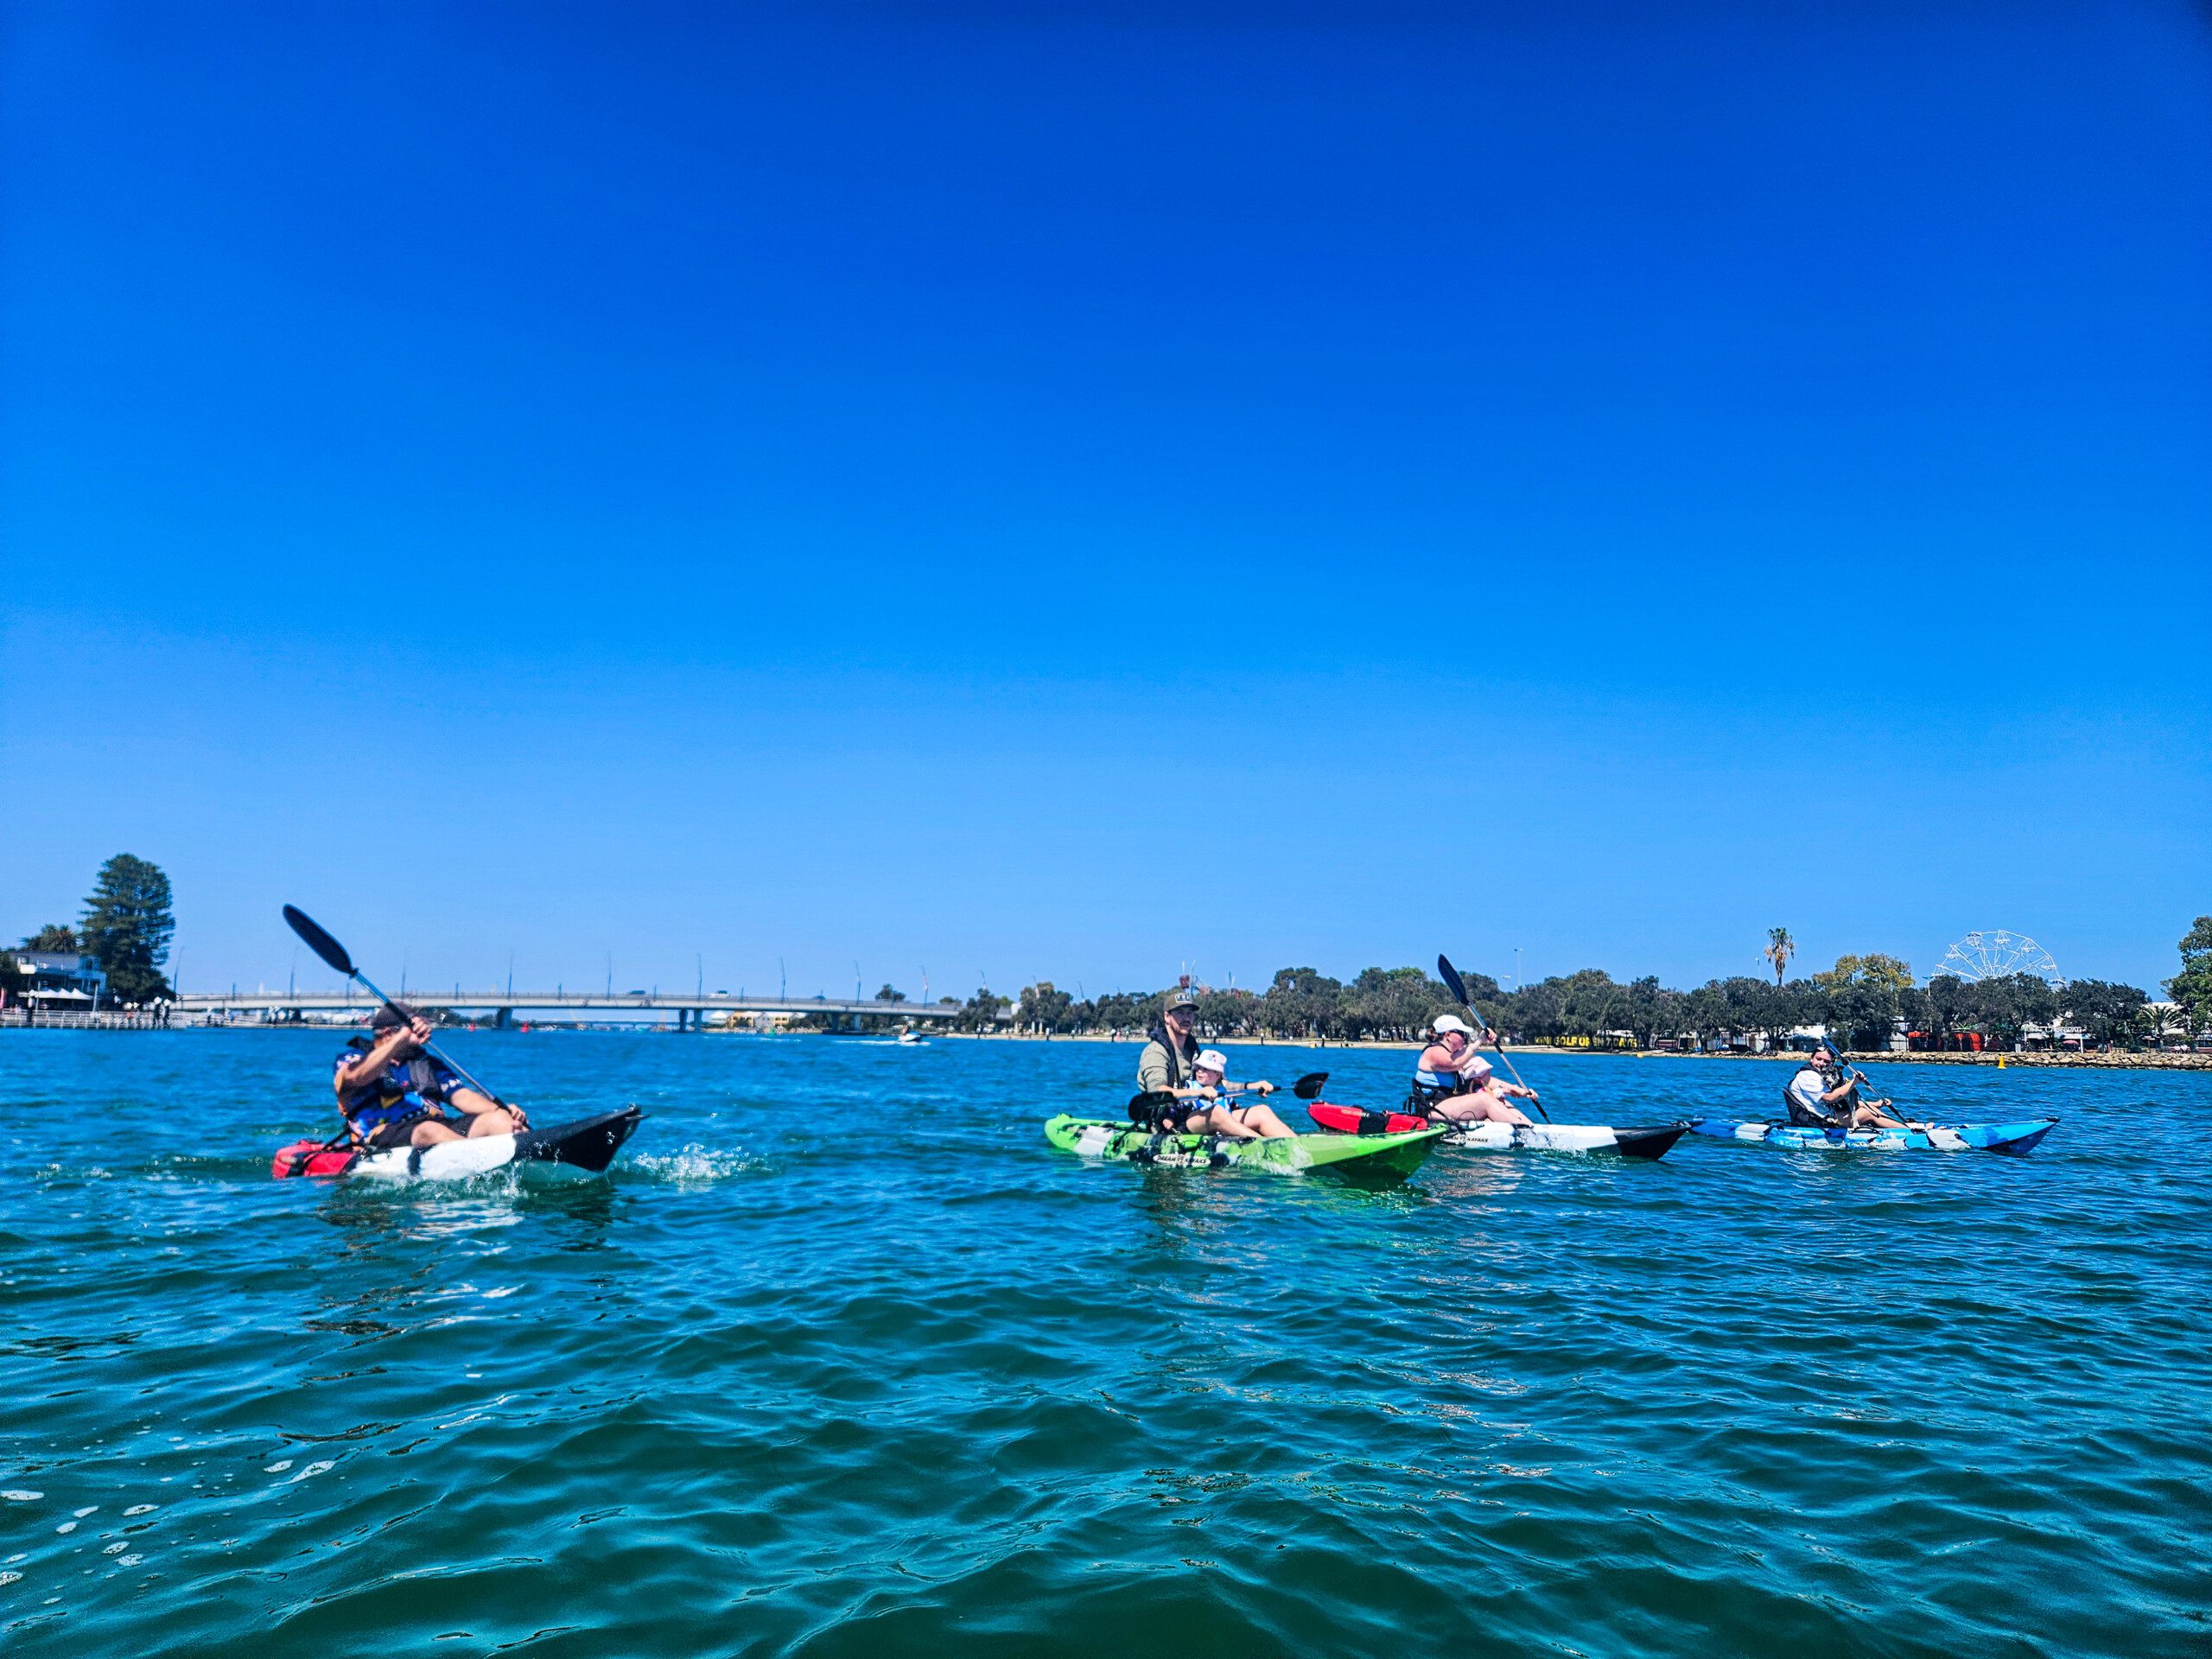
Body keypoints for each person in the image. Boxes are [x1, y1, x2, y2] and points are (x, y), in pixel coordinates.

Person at [333, 1004, 526, 1149]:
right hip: (384, 1134)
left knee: (499, 1119)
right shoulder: (353, 1059)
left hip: (438, 1128)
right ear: (388, 1034)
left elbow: (462, 1096)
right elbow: (356, 1077)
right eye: (410, 1029)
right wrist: (400, 1040)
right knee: (430, 1130)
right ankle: (487, 1167)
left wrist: (502, 1109)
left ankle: (538, 1155)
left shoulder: (427, 1064)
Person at [1132, 991, 1294, 1139]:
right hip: (1167, 1122)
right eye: (1180, 1013)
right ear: (1167, 1017)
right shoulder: (1156, 1052)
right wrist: (1199, 1091)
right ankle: (1266, 1147)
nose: (1186, 1018)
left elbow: (1217, 1084)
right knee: (1216, 1112)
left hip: (1194, 1114)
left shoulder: (1191, 1048)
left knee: (1262, 1112)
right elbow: (1157, 1091)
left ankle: (1298, 1146)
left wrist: (1253, 1085)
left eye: (1190, 1013)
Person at [1409, 1014, 1539, 1127]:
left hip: (1450, 1106)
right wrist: (1479, 1041)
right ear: (1448, 1035)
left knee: (1503, 1104)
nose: (1464, 1037)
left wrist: (1516, 1089)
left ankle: (1531, 1128)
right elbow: (1453, 1063)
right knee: (1484, 1100)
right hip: (1433, 1109)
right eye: (1461, 1033)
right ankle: (1525, 1132)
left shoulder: (1457, 1054)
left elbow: (1484, 1080)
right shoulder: (1433, 1052)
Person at [1783, 1043, 1905, 1130]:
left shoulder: (1821, 1076)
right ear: (1811, 1058)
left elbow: (1851, 1102)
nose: (1821, 1064)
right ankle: (1910, 1133)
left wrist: (1878, 1104)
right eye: (1818, 1059)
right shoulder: (1808, 1076)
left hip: (1825, 1118)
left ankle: (1904, 1127)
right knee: (1868, 1113)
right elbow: (1830, 1098)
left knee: (1868, 1110)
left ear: (1832, 1064)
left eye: (1826, 1062)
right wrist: (1854, 1082)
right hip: (1817, 1123)